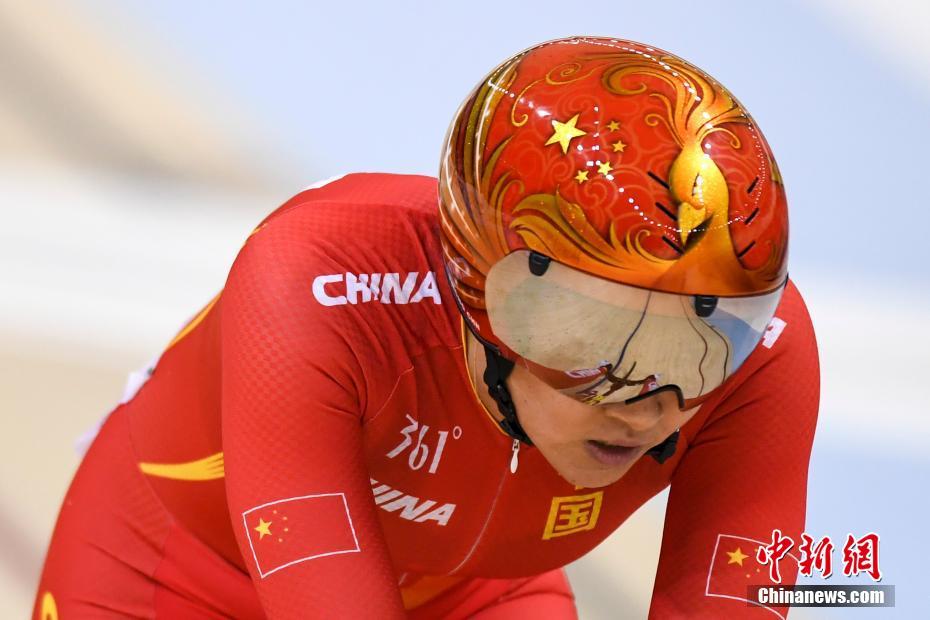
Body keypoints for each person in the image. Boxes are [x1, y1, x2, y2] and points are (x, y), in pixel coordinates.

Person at [33, 36, 818, 619]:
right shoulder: (319, 279)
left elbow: (735, 597)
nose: (648, 408)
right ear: (484, 294)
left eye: (697, 352)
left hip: (475, 593)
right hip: (170, 574)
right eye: (597, 344)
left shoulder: (768, 356)